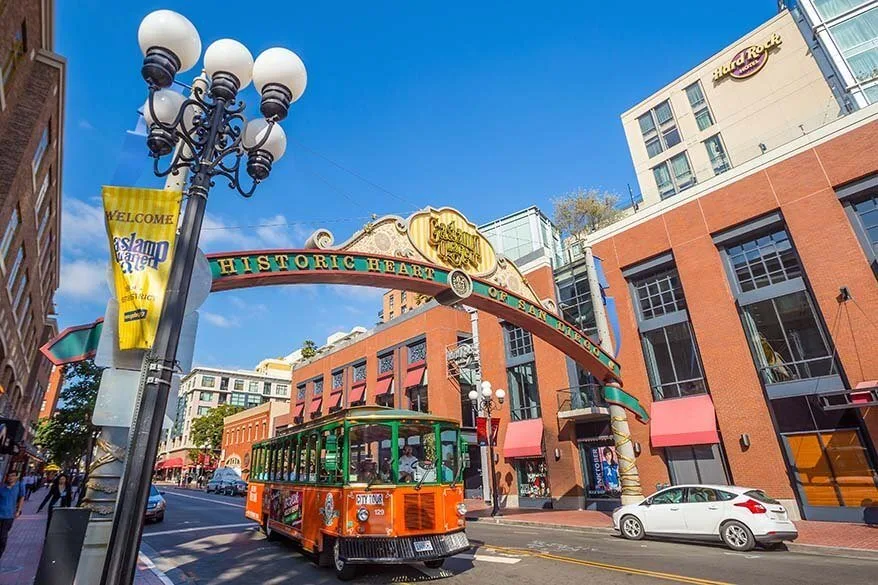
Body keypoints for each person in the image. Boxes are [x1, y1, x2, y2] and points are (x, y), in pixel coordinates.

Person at [0, 471, 24, 560]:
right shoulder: (2, 487)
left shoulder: (19, 486)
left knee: (3, 536)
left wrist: (19, 510)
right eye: (9, 476)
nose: (10, 478)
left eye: (13, 476)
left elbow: (22, 497)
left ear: (16, 477)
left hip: (9, 515)